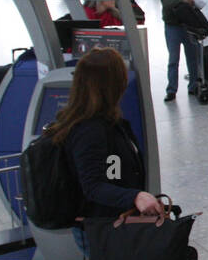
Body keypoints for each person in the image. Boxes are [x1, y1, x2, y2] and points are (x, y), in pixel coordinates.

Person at [47, 47, 165, 221]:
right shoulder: (89, 130)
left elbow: (112, 170)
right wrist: (134, 196)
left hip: (116, 218)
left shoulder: (106, 120)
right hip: (103, 226)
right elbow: (93, 185)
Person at [159, 0, 206, 103]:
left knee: (193, 57)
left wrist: (191, 0)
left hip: (188, 26)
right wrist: (183, 0)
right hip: (173, 26)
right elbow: (166, 1)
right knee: (174, 59)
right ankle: (171, 90)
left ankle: (193, 86)